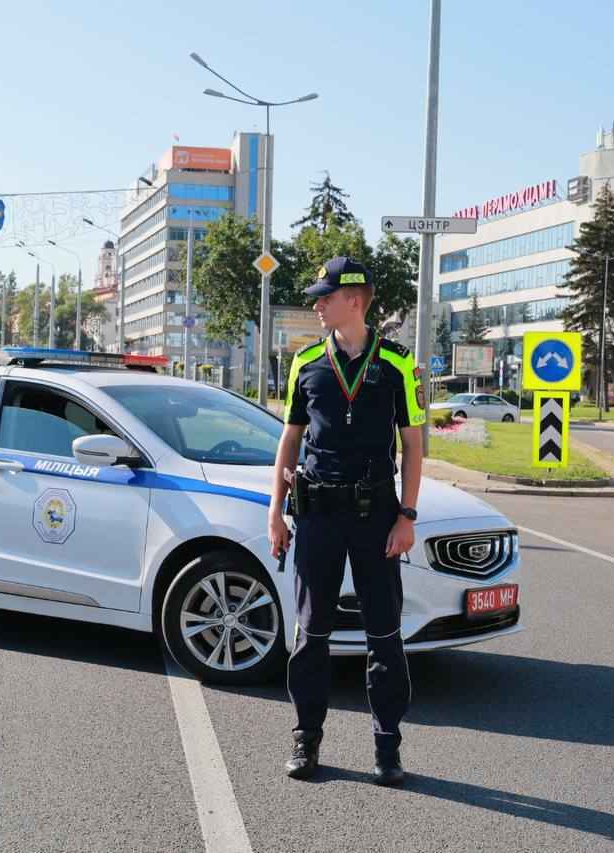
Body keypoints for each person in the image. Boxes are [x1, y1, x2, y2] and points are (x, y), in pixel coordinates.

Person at [268, 256, 426, 787]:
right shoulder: (306, 363)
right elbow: (289, 439)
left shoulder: (398, 366)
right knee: (311, 634)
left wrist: (406, 515)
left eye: (325, 296)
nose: (316, 304)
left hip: (377, 517)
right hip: (316, 516)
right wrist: (276, 513)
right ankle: (306, 740)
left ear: (354, 300)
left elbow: (413, 444)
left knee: (384, 634)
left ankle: (387, 748)